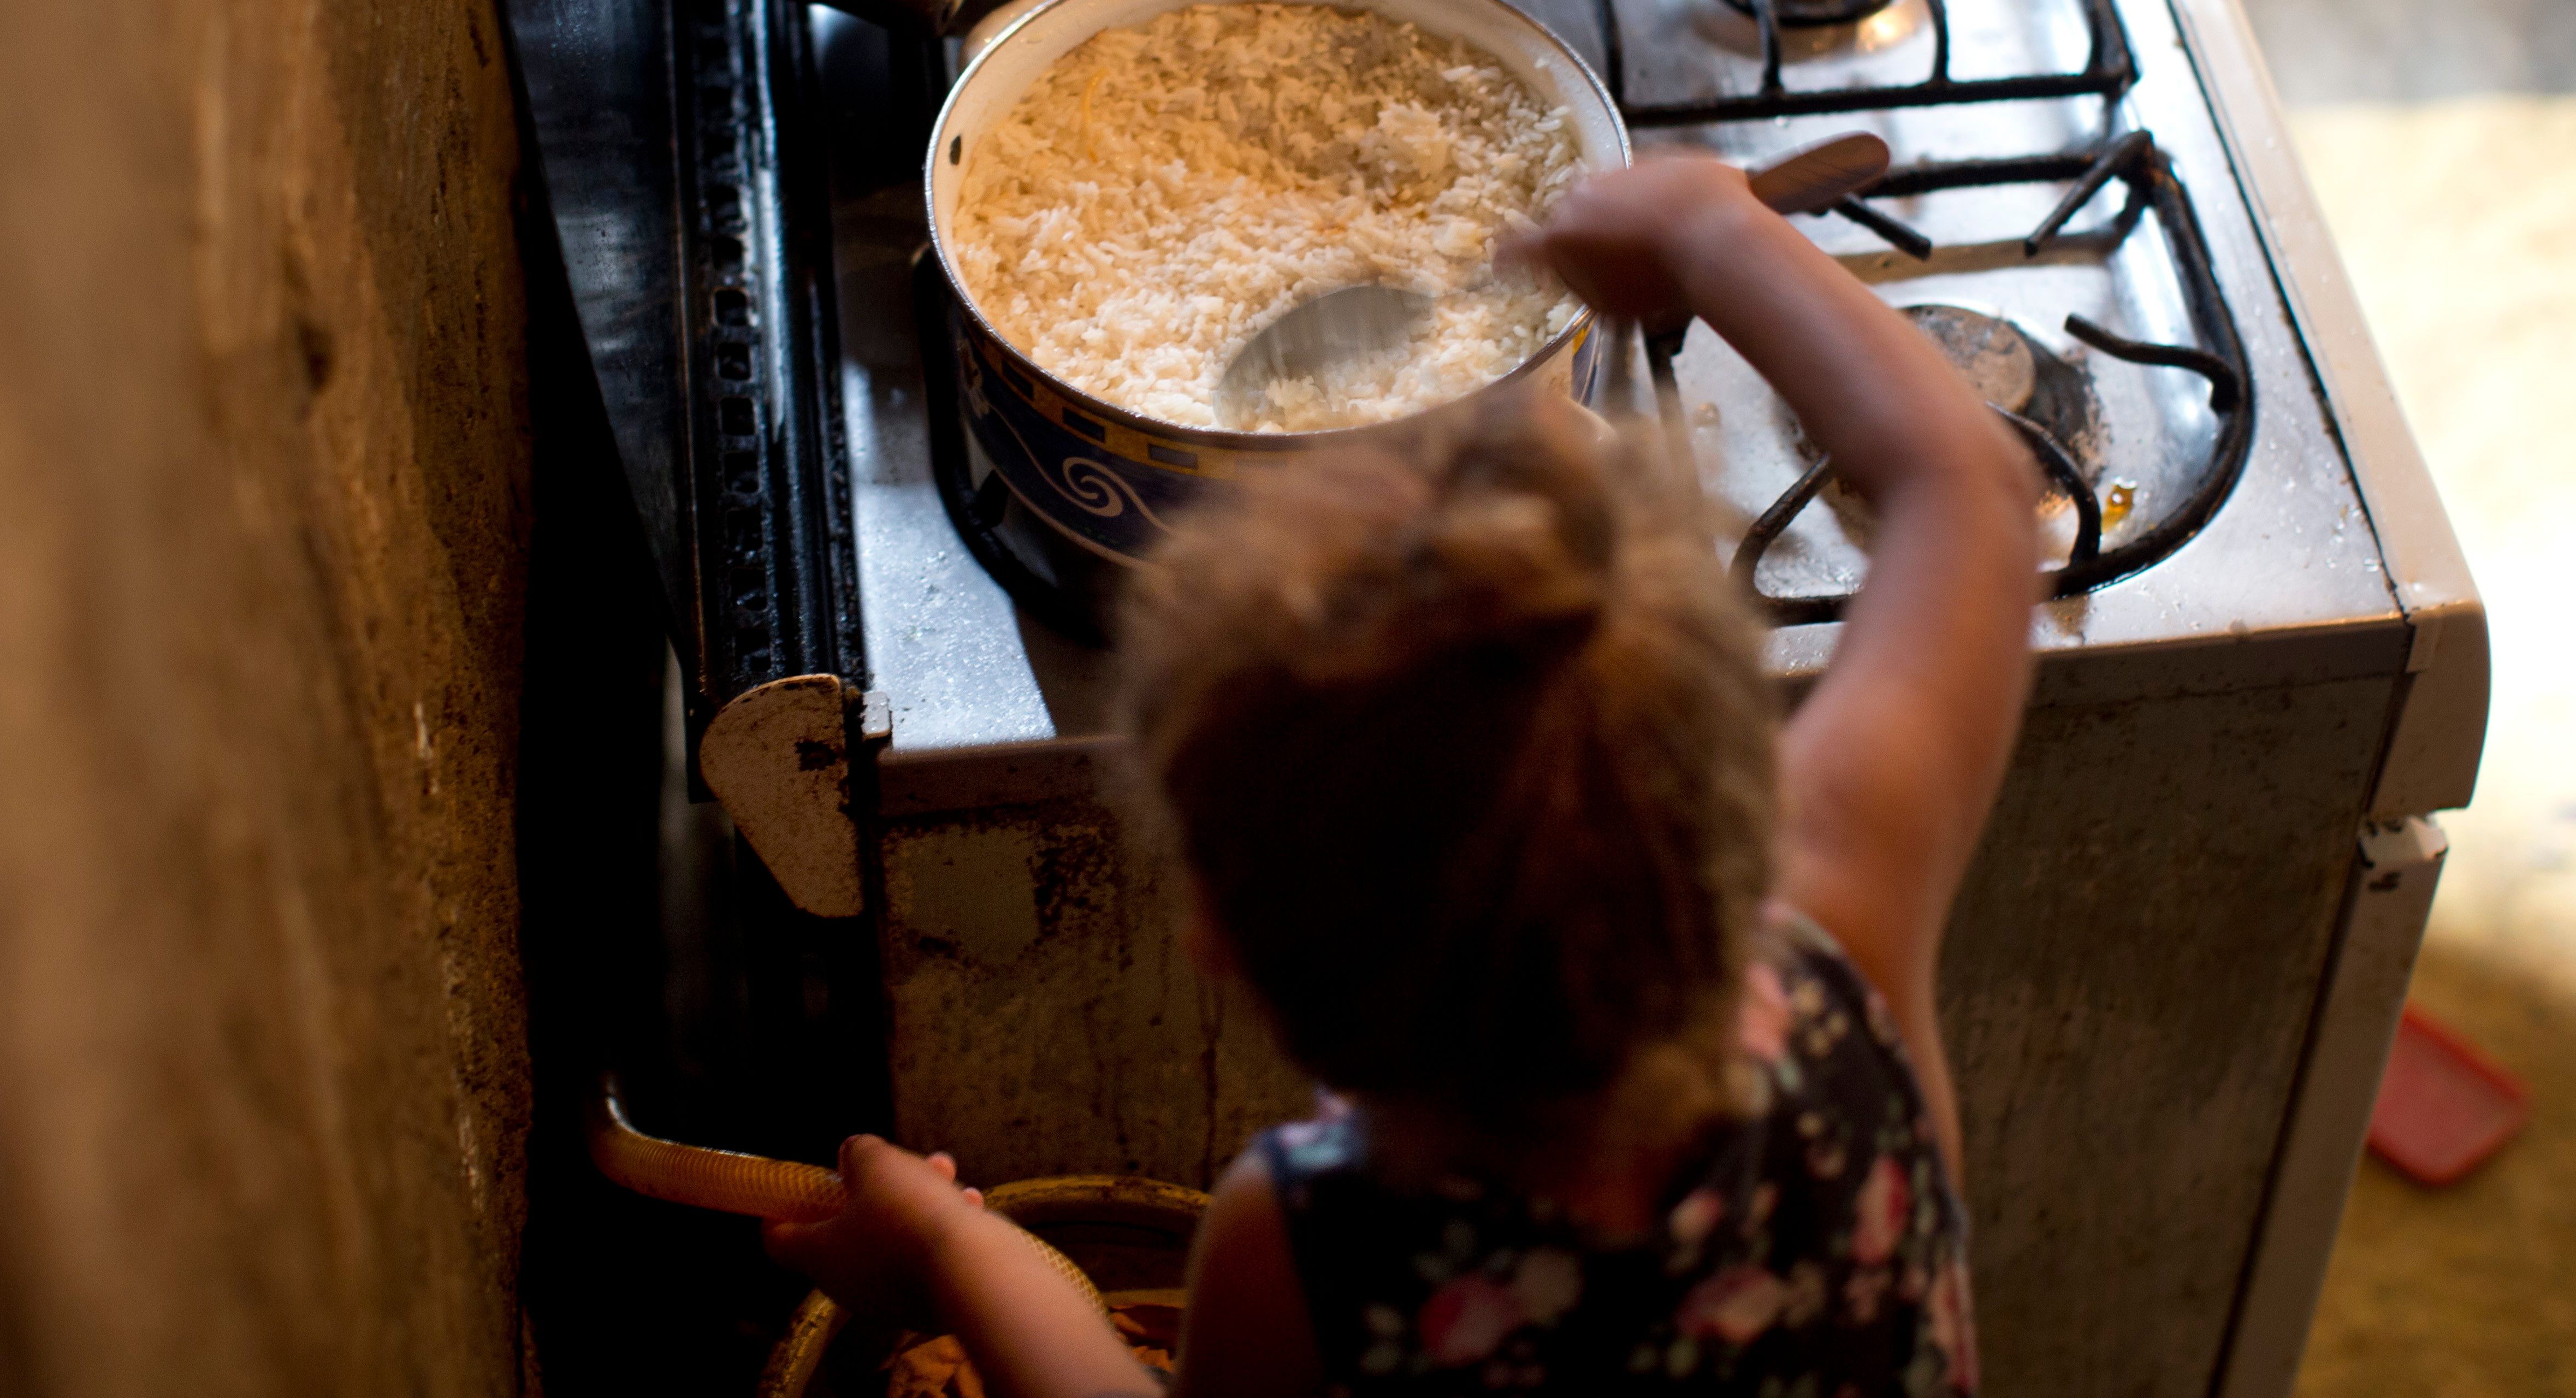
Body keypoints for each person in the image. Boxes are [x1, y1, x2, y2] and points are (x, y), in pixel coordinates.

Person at [768, 154, 2045, 1394]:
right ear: (1734, 770)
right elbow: (1972, 486)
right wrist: (1716, 227)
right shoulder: (1845, 935)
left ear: (1216, 934)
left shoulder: (1324, 1238)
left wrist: (949, 1247)